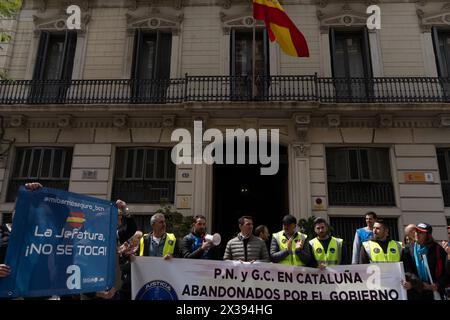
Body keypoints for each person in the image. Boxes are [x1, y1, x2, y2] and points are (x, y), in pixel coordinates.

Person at [402, 223, 448, 300]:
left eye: (421, 232)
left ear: (428, 235)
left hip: (434, 293)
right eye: (416, 232)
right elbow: (407, 271)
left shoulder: (438, 249)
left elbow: (446, 273)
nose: (417, 234)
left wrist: (437, 285)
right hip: (416, 293)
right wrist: (420, 285)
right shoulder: (408, 250)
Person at [117, 231, 143, 300]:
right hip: (124, 283)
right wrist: (121, 253)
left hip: (136, 282)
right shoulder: (125, 248)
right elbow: (120, 263)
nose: (140, 239)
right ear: (132, 238)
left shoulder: (141, 249)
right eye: (138, 238)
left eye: (141, 238)